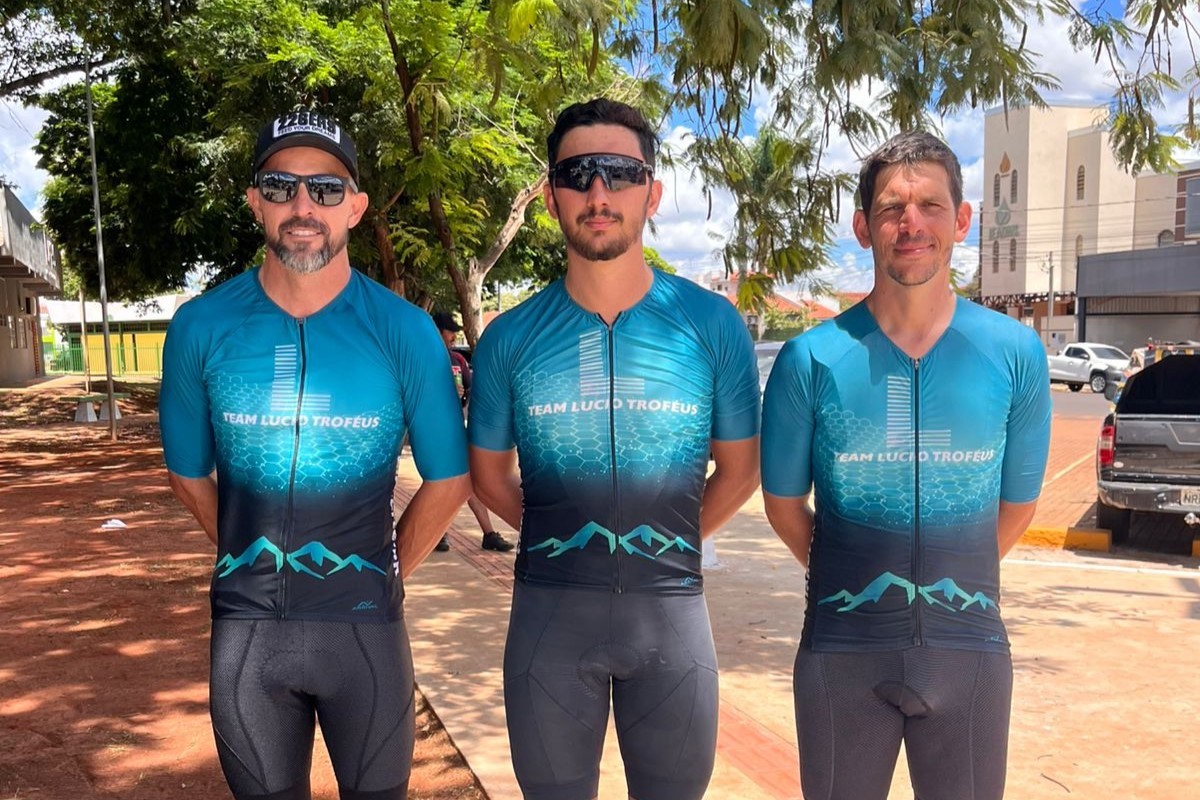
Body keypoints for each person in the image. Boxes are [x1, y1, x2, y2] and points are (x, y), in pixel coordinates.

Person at [159, 109, 471, 800]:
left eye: (326, 189)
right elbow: (187, 473)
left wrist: (387, 569)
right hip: (247, 637)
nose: (303, 206)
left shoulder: (405, 330)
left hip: (366, 634)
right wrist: (249, 548)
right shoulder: (201, 326)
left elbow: (450, 478)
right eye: (281, 186)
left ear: (355, 206)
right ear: (256, 202)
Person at [468, 98, 762, 800]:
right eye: (578, 174)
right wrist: (565, 534)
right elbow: (486, 476)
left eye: (620, 173)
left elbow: (742, 469)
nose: (598, 193)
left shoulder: (710, 324)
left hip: (673, 620)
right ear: (551, 198)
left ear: (651, 193)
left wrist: (664, 540)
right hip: (548, 621)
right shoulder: (510, 338)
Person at [761, 131, 1052, 800]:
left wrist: (949, 573)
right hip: (842, 655)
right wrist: (854, 572)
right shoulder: (811, 359)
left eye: (930, 205)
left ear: (962, 219)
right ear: (863, 227)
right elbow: (782, 506)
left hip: (969, 655)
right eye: (891, 207)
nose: (911, 223)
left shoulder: (1014, 353)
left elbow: (1017, 507)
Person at [431, 310, 514, 553]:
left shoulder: (457, 360)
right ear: (438, 331)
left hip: (457, 429)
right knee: (445, 482)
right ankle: (439, 533)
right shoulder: (426, 359)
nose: (453, 337)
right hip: (435, 432)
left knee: (467, 481)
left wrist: (465, 395)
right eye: (449, 331)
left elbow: (470, 388)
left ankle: (487, 534)